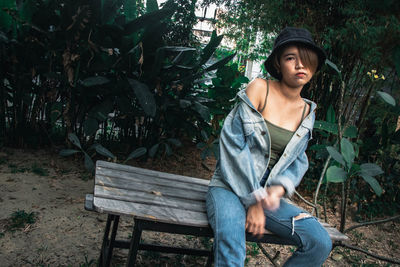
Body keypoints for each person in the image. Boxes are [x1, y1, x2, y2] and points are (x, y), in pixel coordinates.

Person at [206, 27, 332, 267]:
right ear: (278, 62)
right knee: (233, 250)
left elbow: (298, 160)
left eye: (306, 59)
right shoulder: (259, 89)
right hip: (230, 185)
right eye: (290, 58)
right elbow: (232, 145)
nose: (299, 65)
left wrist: (278, 189)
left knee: (319, 242)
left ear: (314, 66)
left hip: (267, 194)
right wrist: (253, 200)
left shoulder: (308, 111)